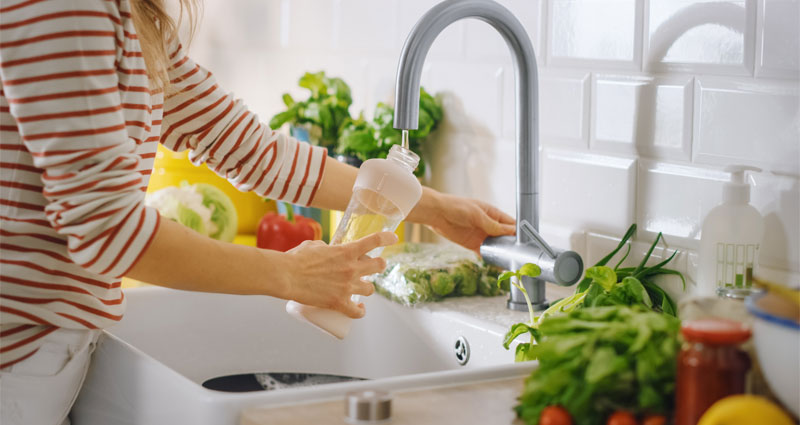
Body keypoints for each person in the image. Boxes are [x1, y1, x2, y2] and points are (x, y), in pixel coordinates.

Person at [0, 1, 516, 423]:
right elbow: (111, 232)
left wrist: (434, 207)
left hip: (38, 352)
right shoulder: (65, 7)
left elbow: (250, 149)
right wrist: (290, 275)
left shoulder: (128, 14)